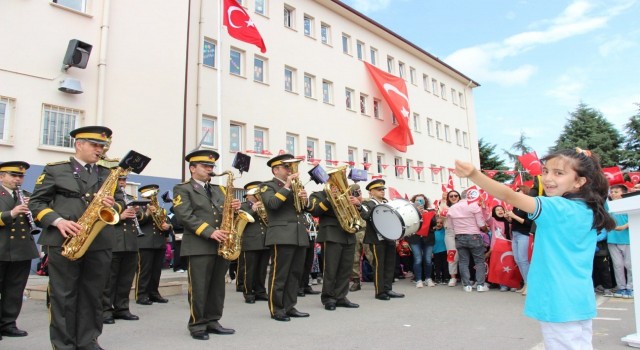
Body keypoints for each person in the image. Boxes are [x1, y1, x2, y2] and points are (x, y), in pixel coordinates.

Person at [455, 148, 616, 349]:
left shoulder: (556, 208)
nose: (548, 178)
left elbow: (509, 196)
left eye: (559, 173)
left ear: (579, 182)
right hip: (578, 296)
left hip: (557, 297)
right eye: (546, 171)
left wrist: (474, 175)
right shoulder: (589, 207)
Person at [29, 126, 125, 350]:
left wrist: (114, 205)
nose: (99, 150)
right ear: (79, 144)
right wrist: (58, 221)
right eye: (95, 145)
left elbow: (121, 202)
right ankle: (64, 345)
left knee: (93, 295)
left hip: (99, 242)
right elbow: (36, 203)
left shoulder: (107, 173)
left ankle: (88, 340)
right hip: (63, 241)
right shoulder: (55, 170)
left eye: (102, 146)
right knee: (63, 296)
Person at [172, 150, 239, 340]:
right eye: (206, 166)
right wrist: (210, 232)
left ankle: (213, 320)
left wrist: (234, 208)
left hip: (221, 244)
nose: (210, 169)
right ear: (192, 168)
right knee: (199, 287)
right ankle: (197, 324)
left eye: (212, 166)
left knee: (217, 286)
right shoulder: (182, 189)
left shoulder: (220, 189)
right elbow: (184, 216)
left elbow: (224, 214)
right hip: (199, 244)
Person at [260, 154, 310, 322]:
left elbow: (303, 210)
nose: (290, 170)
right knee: (279, 273)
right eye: (286, 167)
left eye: (291, 167)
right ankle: (277, 308)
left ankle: (289, 305)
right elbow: (272, 205)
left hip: (298, 233)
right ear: (276, 170)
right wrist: (287, 186)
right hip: (281, 234)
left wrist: (305, 200)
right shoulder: (267, 186)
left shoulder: (296, 186)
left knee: (295, 273)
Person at [0, 161, 40, 339]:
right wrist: (12, 213)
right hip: (1, 248)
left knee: (15, 290)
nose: (18, 179)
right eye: (13, 175)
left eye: (21, 176)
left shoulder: (26, 195)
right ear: (2, 176)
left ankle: (8, 324)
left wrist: (34, 210)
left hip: (22, 250)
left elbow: (39, 221)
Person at [307, 181, 360, 311]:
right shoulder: (318, 195)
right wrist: (330, 197)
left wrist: (357, 205)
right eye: (333, 181)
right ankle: (328, 298)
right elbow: (315, 211)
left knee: (345, 268)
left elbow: (357, 214)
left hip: (348, 234)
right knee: (331, 269)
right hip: (331, 233)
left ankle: (341, 297)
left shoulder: (346, 194)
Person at [102, 174, 141, 324]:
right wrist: (120, 215)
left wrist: (137, 212)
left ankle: (122, 308)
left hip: (130, 242)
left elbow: (142, 217)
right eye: (120, 180)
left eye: (124, 180)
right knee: (109, 280)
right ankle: (106, 310)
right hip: (114, 242)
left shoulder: (130, 197)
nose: (122, 183)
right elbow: (102, 217)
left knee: (126, 279)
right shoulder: (106, 198)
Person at [360, 179, 404, 300]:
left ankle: (388, 288)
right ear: (371, 192)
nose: (382, 191)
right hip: (376, 238)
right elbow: (366, 216)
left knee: (390, 264)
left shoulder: (387, 203)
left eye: (383, 189)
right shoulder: (367, 204)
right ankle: (380, 291)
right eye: (379, 190)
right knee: (379, 265)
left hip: (389, 237)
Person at [135, 184, 172, 305]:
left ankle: (154, 293)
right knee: (144, 271)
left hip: (159, 243)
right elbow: (139, 222)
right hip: (145, 243)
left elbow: (168, 224)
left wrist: (167, 227)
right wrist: (148, 213)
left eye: (153, 195)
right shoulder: (138, 207)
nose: (152, 198)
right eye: (149, 195)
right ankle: (141, 295)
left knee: (156, 271)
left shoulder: (161, 208)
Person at [447, 190, 488, 292]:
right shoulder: (474, 206)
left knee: (463, 261)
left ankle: (467, 285)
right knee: (479, 261)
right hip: (474, 235)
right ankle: (480, 285)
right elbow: (481, 223)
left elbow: (450, 226)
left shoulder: (452, 208)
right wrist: (485, 229)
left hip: (459, 236)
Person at [239, 181, 270, 304]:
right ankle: (248, 292)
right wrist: (252, 210)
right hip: (250, 241)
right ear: (248, 195)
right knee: (249, 269)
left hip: (264, 240)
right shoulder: (243, 206)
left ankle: (260, 291)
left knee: (262, 269)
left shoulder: (265, 206)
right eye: (255, 193)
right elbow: (242, 221)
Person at [506, 185, 534, 295]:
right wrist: (510, 218)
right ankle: (526, 283)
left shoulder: (528, 206)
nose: (516, 192)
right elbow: (515, 221)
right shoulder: (516, 206)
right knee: (518, 260)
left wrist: (514, 216)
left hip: (524, 234)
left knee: (523, 260)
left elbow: (528, 223)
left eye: (519, 191)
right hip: (515, 234)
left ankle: (529, 284)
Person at [608, 184, 633, 298]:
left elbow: (634, 220)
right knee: (618, 265)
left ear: (623, 193)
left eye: (616, 192)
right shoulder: (608, 206)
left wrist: (623, 227)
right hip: (612, 239)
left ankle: (631, 287)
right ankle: (621, 287)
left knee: (629, 265)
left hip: (627, 239)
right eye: (612, 192)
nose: (613, 194)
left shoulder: (629, 205)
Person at [407, 194, 436, 288]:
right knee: (418, 259)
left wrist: (426, 214)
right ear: (414, 201)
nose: (420, 202)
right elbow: (408, 223)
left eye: (421, 200)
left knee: (428, 259)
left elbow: (434, 224)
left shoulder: (430, 210)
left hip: (428, 238)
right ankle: (418, 279)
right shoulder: (410, 211)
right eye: (417, 200)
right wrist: (417, 213)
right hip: (415, 238)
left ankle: (428, 278)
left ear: (425, 201)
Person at [348, 184, 373, 292]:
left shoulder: (367, 201)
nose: (357, 194)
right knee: (354, 258)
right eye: (354, 192)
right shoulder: (348, 203)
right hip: (354, 232)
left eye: (358, 191)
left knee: (371, 255)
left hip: (366, 231)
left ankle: (379, 279)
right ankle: (356, 281)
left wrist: (359, 202)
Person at [440, 190, 461, 287]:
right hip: (450, 232)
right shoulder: (445, 207)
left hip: (462, 232)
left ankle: (465, 276)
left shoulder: (462, 207)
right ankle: (453, 277)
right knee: (452, 255)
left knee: (463, 255)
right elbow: (440, 219)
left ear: (459, 197)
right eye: (451, 196)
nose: (453, 197)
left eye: (455, 195)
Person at [298, 212, 321, 297]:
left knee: (308, 263)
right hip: (302, 238)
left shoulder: (309, 213)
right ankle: (299, 287)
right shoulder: (299, 211)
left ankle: (305, 285)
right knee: (301, 264)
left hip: (311, 239)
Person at [431, 217, 449, 284]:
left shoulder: (445, 230)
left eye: (441, 223)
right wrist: (432, 251)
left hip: (444, 250)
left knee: (445, 265)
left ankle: (446, 278)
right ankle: (438, 278)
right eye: (437, 223)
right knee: (437, 265)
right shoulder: (433, 232)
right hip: (436, 251)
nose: (439, 224)